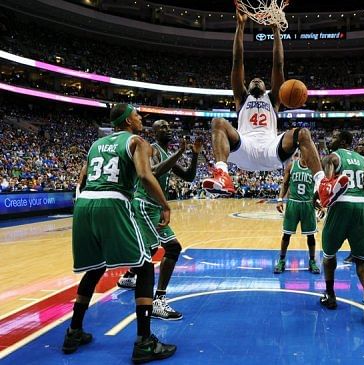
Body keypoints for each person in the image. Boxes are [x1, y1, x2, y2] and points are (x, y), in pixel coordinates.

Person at [62, 104, 176, 362]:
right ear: (127, 121)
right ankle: (145, 341)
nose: (140, 118)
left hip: (84, 204)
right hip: (112, 202)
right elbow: (146, 176)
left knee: (95, 268)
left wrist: (86, 204)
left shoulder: (95, 145)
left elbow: (81, 180)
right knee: (145, 267)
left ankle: (74, 331)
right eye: (137, 115)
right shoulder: (137, 141)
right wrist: (165, 205)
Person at [201, 11, 324, 195]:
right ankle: (222, 175)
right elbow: (237, 61)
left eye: (260, 80)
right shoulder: (241, 98)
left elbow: (278, 64)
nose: (256, 80)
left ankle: (322, 184)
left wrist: (276, 31)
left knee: (303, 133)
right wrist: (240, 26)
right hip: (245, 147)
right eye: (253, 80)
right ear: (246, 86)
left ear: (267, 87)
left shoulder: (274, 99)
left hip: (271, 148)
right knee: (218, 122)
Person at [117, 120, 203, 321]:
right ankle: (158, 300)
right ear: (154, 132)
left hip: (153, 207)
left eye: (168, 126)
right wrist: (179, 154)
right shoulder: (150, 149)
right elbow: (154, 171)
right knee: (172, 248)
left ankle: (129, 275)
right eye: (162, 127)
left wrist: (195, 154)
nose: (167, 129)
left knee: (152, 248)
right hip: (145, 204)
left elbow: (189, 177)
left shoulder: (166, 154)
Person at [316, 130, 364, 321]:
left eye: (334, 137)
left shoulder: (333, 157)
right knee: (362, 259)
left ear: (343, 141)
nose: (330, 139)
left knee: (329, 255)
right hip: (361, 205)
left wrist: (322, 193)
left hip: (341, 204)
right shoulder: (363, 160)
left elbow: (328, 173)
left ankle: (330, 295)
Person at [274, 151, 320, 274]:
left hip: (308, 204)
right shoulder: (291, 165)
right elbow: (285, 183)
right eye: (303, 154)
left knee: (311, 235)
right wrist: (280, 200)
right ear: (300, 154)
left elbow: (320, 186)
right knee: (286, 234)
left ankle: (312, 261)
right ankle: (282, 260)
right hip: (293, 203)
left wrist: (319, 201)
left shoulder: (315, 168)